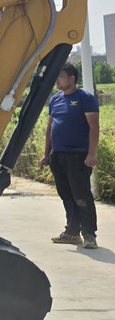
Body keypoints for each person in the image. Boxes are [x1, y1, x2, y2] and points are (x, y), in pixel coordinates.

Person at [40, 62, 100, 249]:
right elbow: (50, 128)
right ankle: (72, 232)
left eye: (60, 77)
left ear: (71, 78)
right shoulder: (55, 100)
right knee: (66, 194)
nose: (56, 81)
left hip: (78, 156)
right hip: (58, 155)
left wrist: (92, 153)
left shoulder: (85, 98)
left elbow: (94, 127)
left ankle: (89, 235)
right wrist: (46, 154)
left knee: (81, 195)